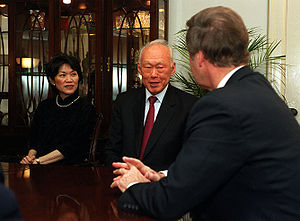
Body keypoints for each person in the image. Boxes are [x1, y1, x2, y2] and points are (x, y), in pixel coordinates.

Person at [110, 6, 300, 221]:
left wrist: (132, 184)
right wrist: (162, 176)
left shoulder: (220, 106)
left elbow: (170, 203)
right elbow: (218, 164)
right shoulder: (256, 86)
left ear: (199, 58)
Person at [103, 39, 198, 171]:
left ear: (172, 69)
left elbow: (191, 158)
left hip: (166, 185)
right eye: (148, 67)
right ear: (139, 69)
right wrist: (124, 173)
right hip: (126, 182)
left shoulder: (190, 106)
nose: (154, 74)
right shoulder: (124, 102)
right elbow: (112, 149)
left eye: (160, 67)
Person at [20, 54, 97, 165]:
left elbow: (72, 146)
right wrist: (30, 158)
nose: (69, 80)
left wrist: (38, 161)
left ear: (78, 78)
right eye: (62, 75)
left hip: (70, 169)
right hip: (38, 166)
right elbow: (34, 140)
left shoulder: (86, 109)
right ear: (52, 80)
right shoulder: (44, 106)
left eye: (73, 74)